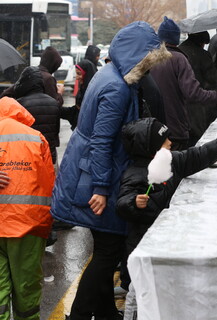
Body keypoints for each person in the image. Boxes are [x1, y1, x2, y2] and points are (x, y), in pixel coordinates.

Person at [51, 21, 171, 320]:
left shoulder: (111, 74)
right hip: (95, 176)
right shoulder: (117, 87)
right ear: (137, 56)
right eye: (147, 62)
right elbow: (102, 142)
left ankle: (105, 312)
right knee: (109, 250)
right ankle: (78, 315)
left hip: (88, 171)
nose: (148, 69)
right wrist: (101, 189)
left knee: (105, 245)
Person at [116, 117, 217, 319]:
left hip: (166, 242)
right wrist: (133, 202)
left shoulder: (172, 161)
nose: (170, 142)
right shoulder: (136, 174)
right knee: (139, 297)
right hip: (143, 245)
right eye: (165, 140)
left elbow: (195, 156)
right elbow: (122, 202)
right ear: (153, 148)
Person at [0, 96, 55, 320]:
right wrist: (47, 224)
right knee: (27, 288)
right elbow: (49, 182)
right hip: (28, 226)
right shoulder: (36, 138)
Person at [150, 16, 217, 151]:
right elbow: (196, 91)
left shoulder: (151, 57)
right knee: (180, 164)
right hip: (180, 124)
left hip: (155, 127)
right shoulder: (179, 58)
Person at [179, 31, 217, 145]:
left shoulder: (177, 51)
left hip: (178, 105)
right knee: (196, 141)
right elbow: (214, 78)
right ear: (202, 42)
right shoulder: (202, 54)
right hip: (196, 105)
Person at [12, 66, 60, 165]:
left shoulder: (19, 104)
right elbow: (55, 132)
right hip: (49, 156)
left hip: (28, 158)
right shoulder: (53, 103)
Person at [60, 60, 95, 130]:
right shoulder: (82, 88)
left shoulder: (93, 92)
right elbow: (76, 110)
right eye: (76, 74)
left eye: (79, 74)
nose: (77, 77)